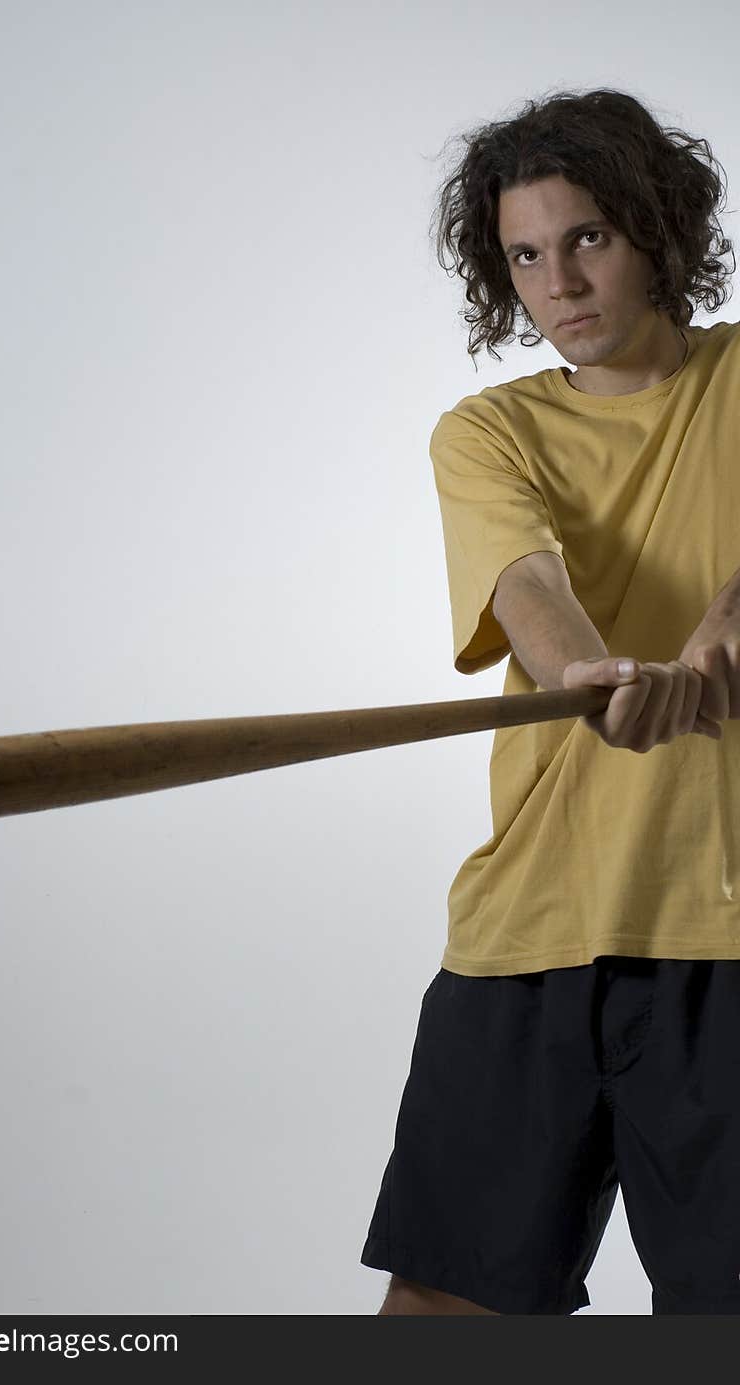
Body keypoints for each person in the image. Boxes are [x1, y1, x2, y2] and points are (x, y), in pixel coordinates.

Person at [360, 87, 740, 1316]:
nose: (558, 281)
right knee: (440, 1311)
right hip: (529, 930)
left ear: (658, 228)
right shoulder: (485, 431)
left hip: (727, 939)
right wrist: (588, 673)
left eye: (586, 237)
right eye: (525, 254)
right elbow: (525, 579)